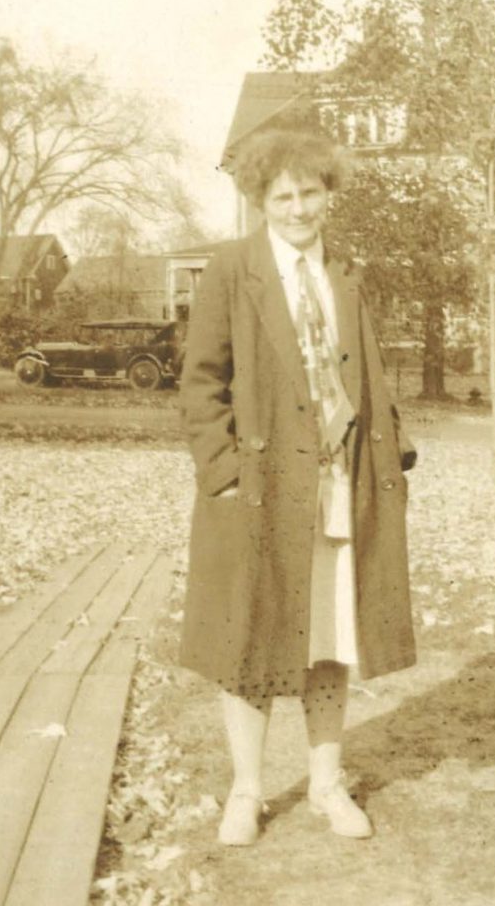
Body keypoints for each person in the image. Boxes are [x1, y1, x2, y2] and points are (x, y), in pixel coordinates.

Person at [179, 129, 417, 846]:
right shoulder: (231, 270)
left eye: (309, 192)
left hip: (342, 480)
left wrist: (393, 454)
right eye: (281, 195)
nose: (296, 207)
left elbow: (369, 371)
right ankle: (247, 792)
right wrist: (221, 474)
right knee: (247, 635)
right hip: (257, 485)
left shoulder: (343, 271)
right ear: (259, 201)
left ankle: (324, 784)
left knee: (329, 634)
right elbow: (200, 384)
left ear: (327, 195)